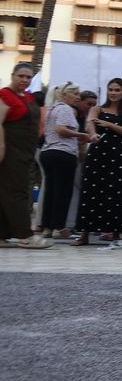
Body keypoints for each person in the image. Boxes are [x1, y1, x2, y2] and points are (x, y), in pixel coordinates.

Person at [76, 76, 122, 244]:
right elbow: (90, 123)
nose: (113, 93)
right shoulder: (97, 109)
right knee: (91, 191)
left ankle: (117, 232)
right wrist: (93, 133)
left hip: (119, 155)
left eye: (117, 90)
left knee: (118, 193)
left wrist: (110, 125)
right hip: (98, 153)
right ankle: (85, 233)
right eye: (111, 89)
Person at [0, 62, 47, 248]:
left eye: (28, 77)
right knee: (18, 193)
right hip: (10, 152)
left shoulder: (28, 97)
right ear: (13, 75)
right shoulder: (4, 96)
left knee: (6, 192)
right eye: (21, 76)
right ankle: (25, 236)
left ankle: (2, 235)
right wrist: (2, 149)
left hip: (26, 152)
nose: (25, 80)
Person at [38, 81, 83, 240]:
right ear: (65, 95)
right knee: (62, 192)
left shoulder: (53, 109)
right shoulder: (65, 109)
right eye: (75, 93)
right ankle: (58, 226)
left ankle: (47, 226)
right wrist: (82, 136)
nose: (78, 97)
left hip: (48, 152)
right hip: (63, 153)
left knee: (51, 191)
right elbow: (61, 129)